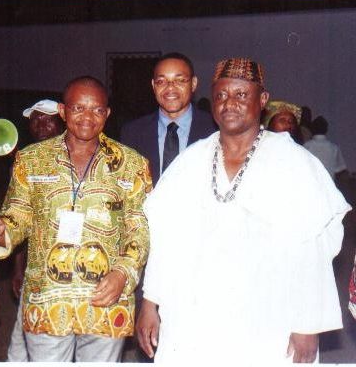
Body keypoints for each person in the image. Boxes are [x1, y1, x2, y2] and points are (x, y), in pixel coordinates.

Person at [137, 58, 351, 364]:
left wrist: (308, 324)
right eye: (222, 96)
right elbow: (165, 238)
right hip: (194, 317)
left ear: (262, 100)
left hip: (267, 318)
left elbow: (313, 249)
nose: (230, 104)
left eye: (241, 95)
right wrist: (150, 301)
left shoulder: (293, 162)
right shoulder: (190, 161)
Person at [0, 76, 151, 362]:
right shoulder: (31, 159)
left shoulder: (132, 164)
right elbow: (18, 213)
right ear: (62, 111)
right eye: (78, 108)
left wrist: (123, 274)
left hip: (106, 300)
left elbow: (139, 228)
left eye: (97, 110)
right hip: (47, 298)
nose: (87, 117)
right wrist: (1, 232)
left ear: (107, 113)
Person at [7, 99, 65, 362]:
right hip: (36, 269)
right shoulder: (25, 160)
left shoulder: (75, 154)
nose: (41, 124)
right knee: (22, 338)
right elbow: (20, 220)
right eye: (35, 119)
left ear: (62, 119)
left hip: (67, 267)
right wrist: (18, 270)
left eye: (47, 118)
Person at [120, 52, 216, 184]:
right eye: (161, 81)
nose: (170, 87)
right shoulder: (132, 132)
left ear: (193, 84)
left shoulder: (215, 130)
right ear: (154, 86)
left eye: (180, 80)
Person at [304, 116, 347, 180]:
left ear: (312, 129)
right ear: (326, 129)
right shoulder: (334, 148)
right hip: (329, 186)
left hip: (312, 184)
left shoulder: (306, 147)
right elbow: (340, 170)